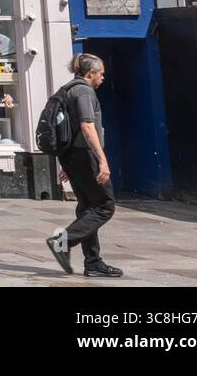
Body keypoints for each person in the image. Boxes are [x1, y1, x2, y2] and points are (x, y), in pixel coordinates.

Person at [46, 53, 121, 278]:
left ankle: (93, 262)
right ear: (90, 73)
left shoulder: (67, 90)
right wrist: (102, 159)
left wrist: (66, 163)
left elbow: (66, 129)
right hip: (84, 155)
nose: (103, 78)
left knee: (88, 207)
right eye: (101, 74)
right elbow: (87, 127)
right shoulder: (84, 91)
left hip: (72, 156)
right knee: (105, 206)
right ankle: (62, 242)